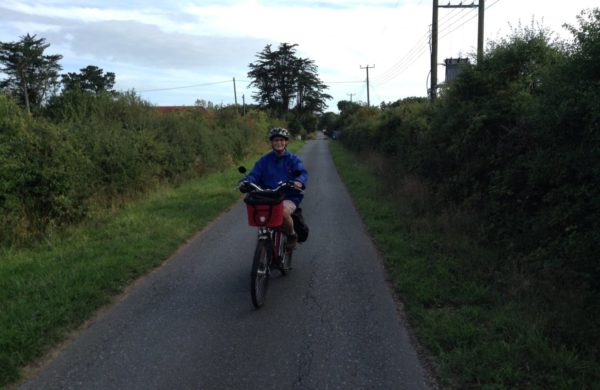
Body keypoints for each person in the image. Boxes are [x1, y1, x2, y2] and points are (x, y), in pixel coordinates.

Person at [240, 127, 308, 250]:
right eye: (276, 140)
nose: (279, 143)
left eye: (282, 140)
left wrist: (299, 181)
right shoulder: (264, 160)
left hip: (289, 196)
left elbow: (302, 172)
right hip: (269, 197)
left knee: (282, 212)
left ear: (286, 142)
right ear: (272, 142)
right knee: (261, 216)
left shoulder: (293, 159)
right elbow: (254, 174)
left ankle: (292, 235)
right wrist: (245, 182)